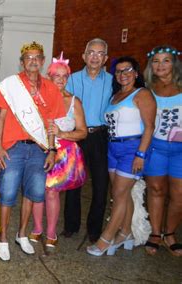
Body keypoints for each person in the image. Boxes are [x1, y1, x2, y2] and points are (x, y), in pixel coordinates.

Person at [0, 41, 65, 261]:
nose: (33, 61)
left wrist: (51, 149)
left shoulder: (51, 88)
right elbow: (1, 117)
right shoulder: (10, 85)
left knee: (33, 195)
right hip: (12, 148)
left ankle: (21, 234)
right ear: (22, 62)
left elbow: (51, 122)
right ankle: (3, 239)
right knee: (7, 195)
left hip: (38, 149)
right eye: (28, 57)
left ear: (42, 61)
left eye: (37, 57)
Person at [87, 56, 156, 256]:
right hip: (113, 148)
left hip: (133, 149)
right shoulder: (115, 97)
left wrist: (140, 154)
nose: (123, 74)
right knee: (121, 195)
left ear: (136, 73)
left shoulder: (142, 94)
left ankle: (106, 239)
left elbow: (150, 127)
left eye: (127, 70)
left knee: (118, 195)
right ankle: (126, 233)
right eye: (118, 71)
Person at [30, 53, 87, 249]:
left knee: (52, 192)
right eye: (57, 75)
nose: (61, 79)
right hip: (40, 150)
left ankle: (51, 232)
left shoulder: (74, 102)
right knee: (38, 190)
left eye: (64, 76)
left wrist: (62, 132)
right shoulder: (38, 99)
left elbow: (82, 132)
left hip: (64, 154)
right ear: (50, 76)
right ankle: (37, 229)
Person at [64, 38, 113, 242]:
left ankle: (94, 230)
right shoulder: (71, 79)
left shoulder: (113, 81)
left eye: (100, 53)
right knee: (73, 183)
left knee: (101, 184)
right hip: (76, 135)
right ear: (84, 56)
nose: (95, 56)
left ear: (105, 59)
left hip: (101, 136)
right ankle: (70, 226)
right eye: (91, 52)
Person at [143, 45, 182, 257]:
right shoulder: (147, 89)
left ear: (174, 63)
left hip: (180, 150)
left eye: (166, 60)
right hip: (156, 146)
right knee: (156, 189)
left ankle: (170, 232)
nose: (160, 65)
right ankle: (156, 233)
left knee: (179, 194)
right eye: (156, 61)